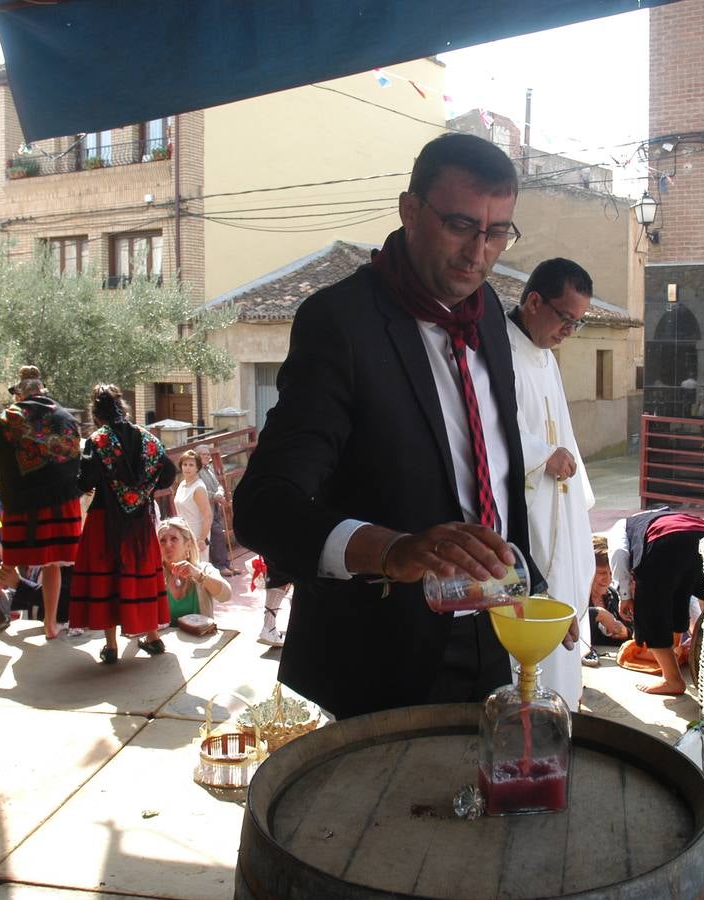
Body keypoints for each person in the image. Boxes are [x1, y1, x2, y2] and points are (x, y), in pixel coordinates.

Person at [233, 132, 560, 720]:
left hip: (492, 634)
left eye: (497, 232)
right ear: (410, 210)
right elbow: (263, 507)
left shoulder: (488, 315)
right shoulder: (341, 324)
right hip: (377, 656)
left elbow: (494, 467)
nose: (478, 253)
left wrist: (525, 580)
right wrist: (393, 550)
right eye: (461, 225)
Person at [507, 257, 596, 711]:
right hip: (521, 512)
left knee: (563, 588)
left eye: (577, 324)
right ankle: (529, 710)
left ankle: (562, 702)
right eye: (566, 318)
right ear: (535, 302)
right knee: (533, 602)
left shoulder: (544, 356)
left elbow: (560, 429)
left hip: (554, 502)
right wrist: (543, 455)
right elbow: (486, 431)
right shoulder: (497, 351)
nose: (569, 332)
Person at [68, 384, 176, 665]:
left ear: (96, 413)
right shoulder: (148, 439)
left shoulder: (98, 440)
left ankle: (111, 646)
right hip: (139, 522)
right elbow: (167, 476)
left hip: (104, 521)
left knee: (107, 580)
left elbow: (85, 481)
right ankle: (152, 637)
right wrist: (145, 488)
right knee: (140, 577)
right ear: (123, 408)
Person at [0, 365, 83, 641]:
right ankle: (50, 624)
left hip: (26, 500)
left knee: (14, 553)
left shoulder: (13, 415)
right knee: (54, 564)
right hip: (62, 501)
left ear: (20, 392)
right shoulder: (65, 416)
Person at [607, 509, 704, 696]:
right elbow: (689, 597)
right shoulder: (661, 515)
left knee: (649, 615)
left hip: (664, 542)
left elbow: (619, 554)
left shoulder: (621, 526)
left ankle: (672, 679)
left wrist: (625, 596)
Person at [157, 517, 231, 625]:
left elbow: (226, 595)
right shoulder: (155, 577)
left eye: (174, 539)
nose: (167, 544)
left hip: (199, 639)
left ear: (188, 545)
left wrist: (199, 575)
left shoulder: (203, 569)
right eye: (163, 540)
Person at [583, 533, 629, 668]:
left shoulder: (612, 596)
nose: (608, 579)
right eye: (602, 573)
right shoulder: (575, 596)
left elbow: (630, 627)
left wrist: (624, 632)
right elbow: (571, 621)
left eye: (611, 573)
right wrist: (598, 614)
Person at [195, 446, 238, 574]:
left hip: (215, 507)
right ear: (197, 456)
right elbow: (199, 491)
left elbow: (218, 485)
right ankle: (220, 566)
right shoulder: (196, 472)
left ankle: (225, 563)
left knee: (219, 534)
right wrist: (215, 495)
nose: (207, 457)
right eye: (204, 454)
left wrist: (220, 492)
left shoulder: (209, 470)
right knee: (216, 534)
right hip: (205, 509)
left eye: (208, 454)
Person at [173, 449, 213, 556]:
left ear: (197, 468)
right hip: (182, 533)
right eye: (185, 464)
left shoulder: (198, 488)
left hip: (197, 533)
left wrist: (202, 539)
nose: (187, 467)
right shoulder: (182, 484)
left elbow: (208, 515)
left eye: (191, 465)